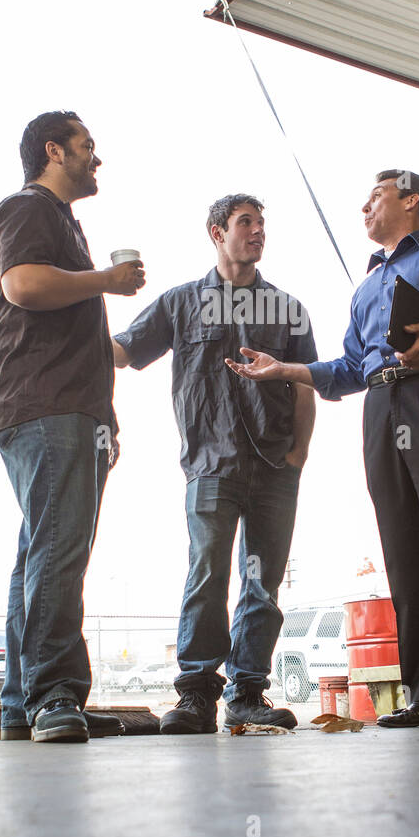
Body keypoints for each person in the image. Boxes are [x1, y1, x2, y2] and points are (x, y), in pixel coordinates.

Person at [227, 170, 419, 730]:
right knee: (403, 549)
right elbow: (351, 368)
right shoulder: (365, 289)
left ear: (410, 201)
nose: (363, 207)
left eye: (375, 196)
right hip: (381, 407)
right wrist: (286, 370)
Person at [112, 195, 318, 734]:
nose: (257, 232)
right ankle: (197, 695)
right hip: (210, 465)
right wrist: (69, 331)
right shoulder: (180, 304)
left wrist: (298, 455)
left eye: (261, 223)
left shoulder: (288, 309)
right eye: (245, 223)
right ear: (216, 232)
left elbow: (305, 383)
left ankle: (248, 694)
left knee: (263, 582)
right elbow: (124, 350)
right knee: (208, 574)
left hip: (276, 465)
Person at [0, 110, 145, 742]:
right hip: (44, 404)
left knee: (40, 550)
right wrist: (106, 280)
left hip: (63, 407)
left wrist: (104, 417)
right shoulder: (28, 210)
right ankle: (54, 694)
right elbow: (22, 284)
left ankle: (24, 703)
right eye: (86, 146)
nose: (95, 157)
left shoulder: (60, 223)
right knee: (59, 549)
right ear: (55, 150)